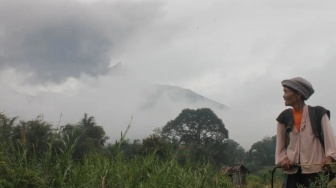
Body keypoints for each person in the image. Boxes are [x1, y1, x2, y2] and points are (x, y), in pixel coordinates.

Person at [275, 77, 336, 188]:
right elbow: (280, 148)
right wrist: (283, 159)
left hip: (315, 173)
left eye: (286, 92)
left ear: (298, 94)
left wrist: (330, 157)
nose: (283, 95)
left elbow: (330, 140)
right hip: (291, 174)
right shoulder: (283, 117)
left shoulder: (319, 113)